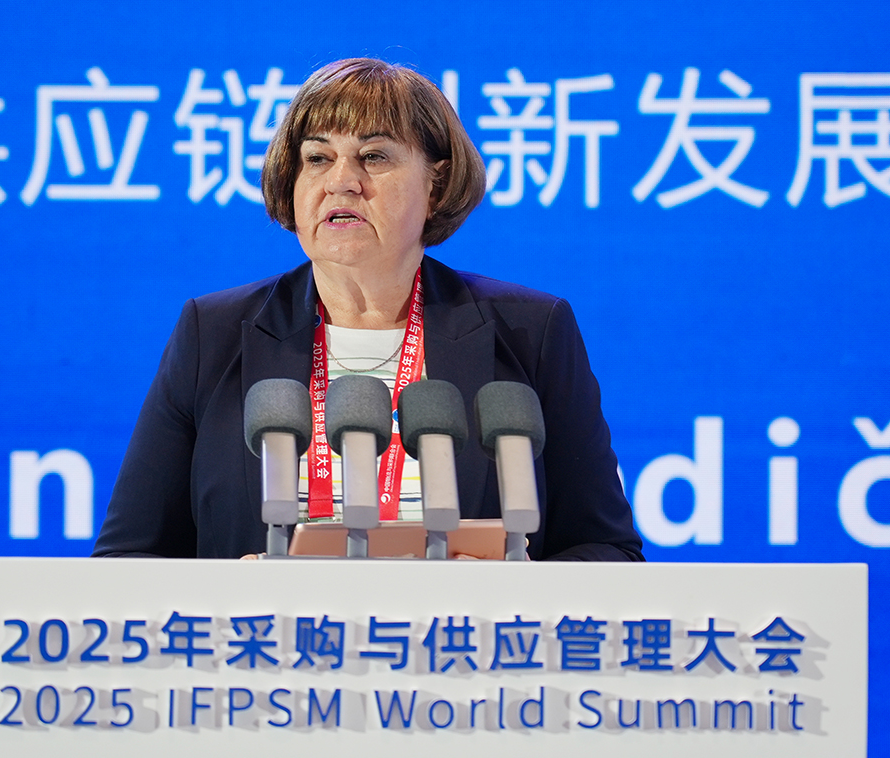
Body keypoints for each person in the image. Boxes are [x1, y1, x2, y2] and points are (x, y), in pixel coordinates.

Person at [92, 58, 643, 562]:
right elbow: (125, 559)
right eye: (317, 158)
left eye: (373, 156)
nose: (341, 182)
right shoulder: (213, 333)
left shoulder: (530, 331)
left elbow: (608, 550)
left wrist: (504, 593)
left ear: (437, 184)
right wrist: (230, 595)